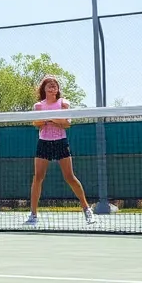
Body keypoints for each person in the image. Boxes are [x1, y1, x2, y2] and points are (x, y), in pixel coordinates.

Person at [22, 75, 95, 227]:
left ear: (57, 89)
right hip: (44, 143)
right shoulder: (38, 106)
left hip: (61, 142)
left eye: (54, 84)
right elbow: (37, 123)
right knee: (38, 178)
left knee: (70, 177)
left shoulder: (64, 103)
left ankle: (87, 210)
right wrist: (54, 119)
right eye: (49, 84)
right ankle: (33, 215)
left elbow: (67, 123)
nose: (52, 86)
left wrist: (50, 119)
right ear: (44, 88)